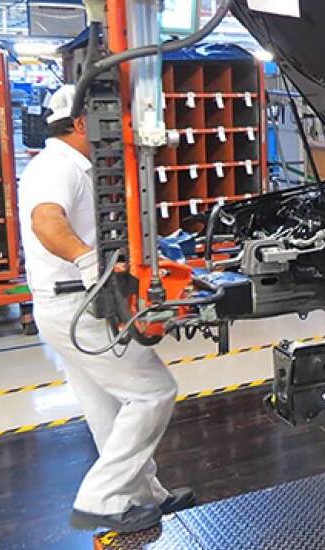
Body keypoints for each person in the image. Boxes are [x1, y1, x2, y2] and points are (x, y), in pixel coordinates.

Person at [18, 85, 194, 532]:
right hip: (76, 304)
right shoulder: (57, 167)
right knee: (153, 392)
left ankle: (142, 495)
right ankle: (101, 499)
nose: (119, 134)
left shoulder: (77, 165)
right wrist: (85, 259)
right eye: (112, 124)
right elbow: (46, 221)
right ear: (82, 123)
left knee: (107, 409)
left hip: (70, 304)